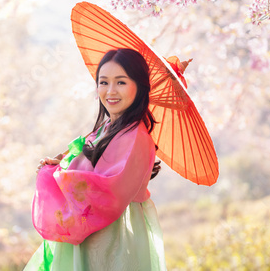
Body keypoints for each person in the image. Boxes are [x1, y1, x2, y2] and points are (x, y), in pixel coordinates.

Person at [24, 48, 166, 271]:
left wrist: (61, 176)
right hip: (95, 235)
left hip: (111, 239)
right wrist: (61, 165)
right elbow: (90, 169)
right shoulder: (108, 128)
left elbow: (108, 192)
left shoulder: (135, 136)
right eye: (103, 82)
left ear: (139, 87)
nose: (110, 91)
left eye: (121, 82)